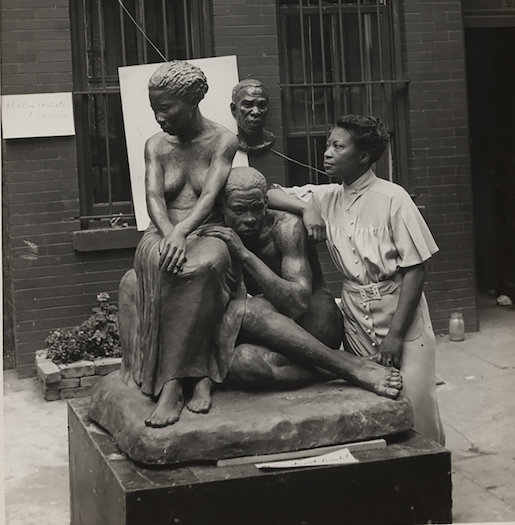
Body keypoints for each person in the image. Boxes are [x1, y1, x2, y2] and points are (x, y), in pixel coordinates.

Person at [267, 115, 445, 445]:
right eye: (327, 145)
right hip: (355, 313)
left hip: (399, 311)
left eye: (338, 146)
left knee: (417, 402)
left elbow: (416, 270)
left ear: (363, 156)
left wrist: (395, 335)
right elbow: (267, 194)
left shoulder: (393, 198)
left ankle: (425, 476)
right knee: (373, 401)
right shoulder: (326, 197)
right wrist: (305, 210)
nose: (327, 153)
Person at [199, 167, 403, 397]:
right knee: (241, 363)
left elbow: (297, 303)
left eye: (257, 208)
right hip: (272, 323)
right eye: (239, 210)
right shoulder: (218, 229)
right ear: (222, 208)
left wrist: (244, 255)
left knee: (247, 310)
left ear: (265, 204)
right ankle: (342, 366)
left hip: (316, 321)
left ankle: (352, 369)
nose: (250, 219)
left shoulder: (286, 227)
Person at [131, 60, 243, 428]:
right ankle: (179, 383)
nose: (159, 117)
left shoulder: (223, 140)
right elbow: (153, 197)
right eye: (154, 109)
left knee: (202, 267)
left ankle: (194, 378)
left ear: (192, 102)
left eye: (166, 109)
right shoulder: (156, 146)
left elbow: (210, 196)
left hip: (207, 231)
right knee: (168, 265)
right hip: (161, 232)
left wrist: (184, 233)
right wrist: (170, 234)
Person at [230, 79, 276, 153]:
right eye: (248, 105)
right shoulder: (228, 143)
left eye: (262, 105)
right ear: (233, 109)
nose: (256, 112)